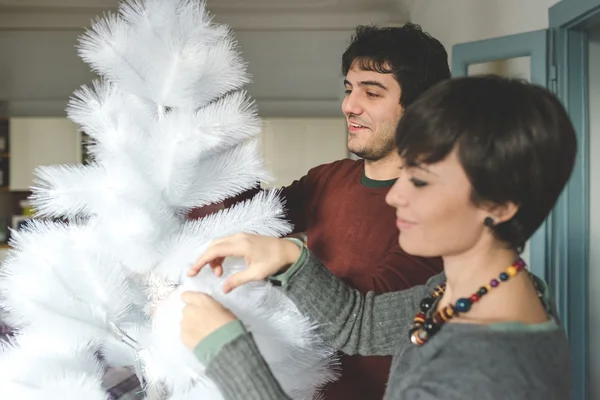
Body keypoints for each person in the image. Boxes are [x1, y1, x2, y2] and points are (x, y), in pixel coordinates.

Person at [180, 75, 576, 399]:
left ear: (500, 205)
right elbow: (361, 325)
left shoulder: (483, 375)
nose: (395, 194)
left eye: (420, 181)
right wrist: (288, 257)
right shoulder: (467, 288)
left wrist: (228, 352)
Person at [188, 24, 449, 399]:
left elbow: (368, 323)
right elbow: (254, 215)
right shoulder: (330, 178)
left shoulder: (436, 211)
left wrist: (288, 260)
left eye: (371, 92)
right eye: (348, 89)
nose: (349, 105)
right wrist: (205, 144)